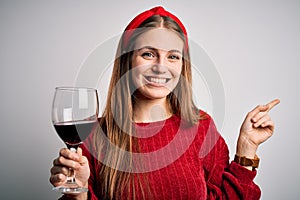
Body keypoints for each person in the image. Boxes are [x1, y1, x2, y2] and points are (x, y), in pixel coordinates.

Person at [50, 6, 280, 200]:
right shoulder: (94, 136)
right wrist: (78, 194)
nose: (161, 66)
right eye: (148, 54)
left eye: (173, 56)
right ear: (127, 61)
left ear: (182, 66)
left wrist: (247, 148)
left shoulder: (201, 128)